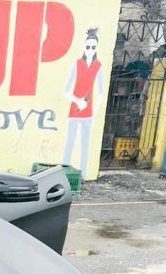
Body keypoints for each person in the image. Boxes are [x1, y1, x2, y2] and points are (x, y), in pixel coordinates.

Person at [62, 27, 104, 180]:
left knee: (85, 145)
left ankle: (84, 175)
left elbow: (101, 91)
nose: (90, 50)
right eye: (88, 47)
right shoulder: (77, 64)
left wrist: (94, 111)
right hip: (74, 110)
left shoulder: (98, 66)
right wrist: (77, 101)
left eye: (93, 47)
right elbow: (66, 90)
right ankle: (63, 172)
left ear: (96, 48)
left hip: (88, 113)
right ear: (84, 47)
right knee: (70, 142)